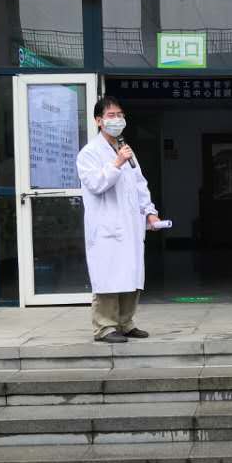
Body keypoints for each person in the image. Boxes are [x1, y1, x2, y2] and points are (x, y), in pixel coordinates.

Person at [76, 96, 161, 344]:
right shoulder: (89, 153)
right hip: (106, 226)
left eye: (120, 115)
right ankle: (105, 327)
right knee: (109, 276)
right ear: (98, 121)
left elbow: (139, 183)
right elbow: (96, 184)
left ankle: (126, 322)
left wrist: (150, 211)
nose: (117, 120)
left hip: (130, 225)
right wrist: (117, 163)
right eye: (111, 115)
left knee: (130, 274)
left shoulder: (125, 149)